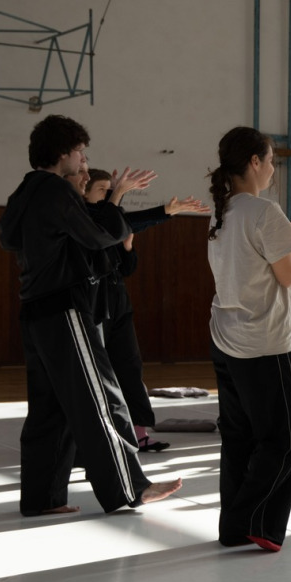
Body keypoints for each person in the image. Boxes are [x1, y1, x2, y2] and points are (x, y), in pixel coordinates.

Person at [0, 114, 182, 516]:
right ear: (63, 152)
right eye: (81, 153)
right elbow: (102, 236)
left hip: (35, 310)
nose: (84, 161)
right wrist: (115, 198)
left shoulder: (25, 191)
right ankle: (131, 488)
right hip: (64, 309)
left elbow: (9, 237)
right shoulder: (54, 189)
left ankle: (43, 499)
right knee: (103, 397)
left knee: (50, 409)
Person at [206, 127, 291, 553]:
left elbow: (257, 257)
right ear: (253, 162)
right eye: (269, 161)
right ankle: (255, 521)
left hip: (227, 338)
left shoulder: (223, 210)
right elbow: (288, 274)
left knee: (240, 438)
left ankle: (234, 528)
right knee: (290, 434)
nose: (273, 170)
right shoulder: (263, 210)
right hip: (264, 342)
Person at [83, 168, 208, 452]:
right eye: (102, 190)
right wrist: (164, 210)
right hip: (94, 307)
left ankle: (139, 433)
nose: (107, 195)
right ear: (85, 193)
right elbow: (121, 223)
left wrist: (128, 247)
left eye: (109, 190)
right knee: (99, 374)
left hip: (119, 304)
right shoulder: (86, 219)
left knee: (130, 366)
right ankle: (97, 437)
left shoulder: (110, 219)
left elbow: (127, 266)